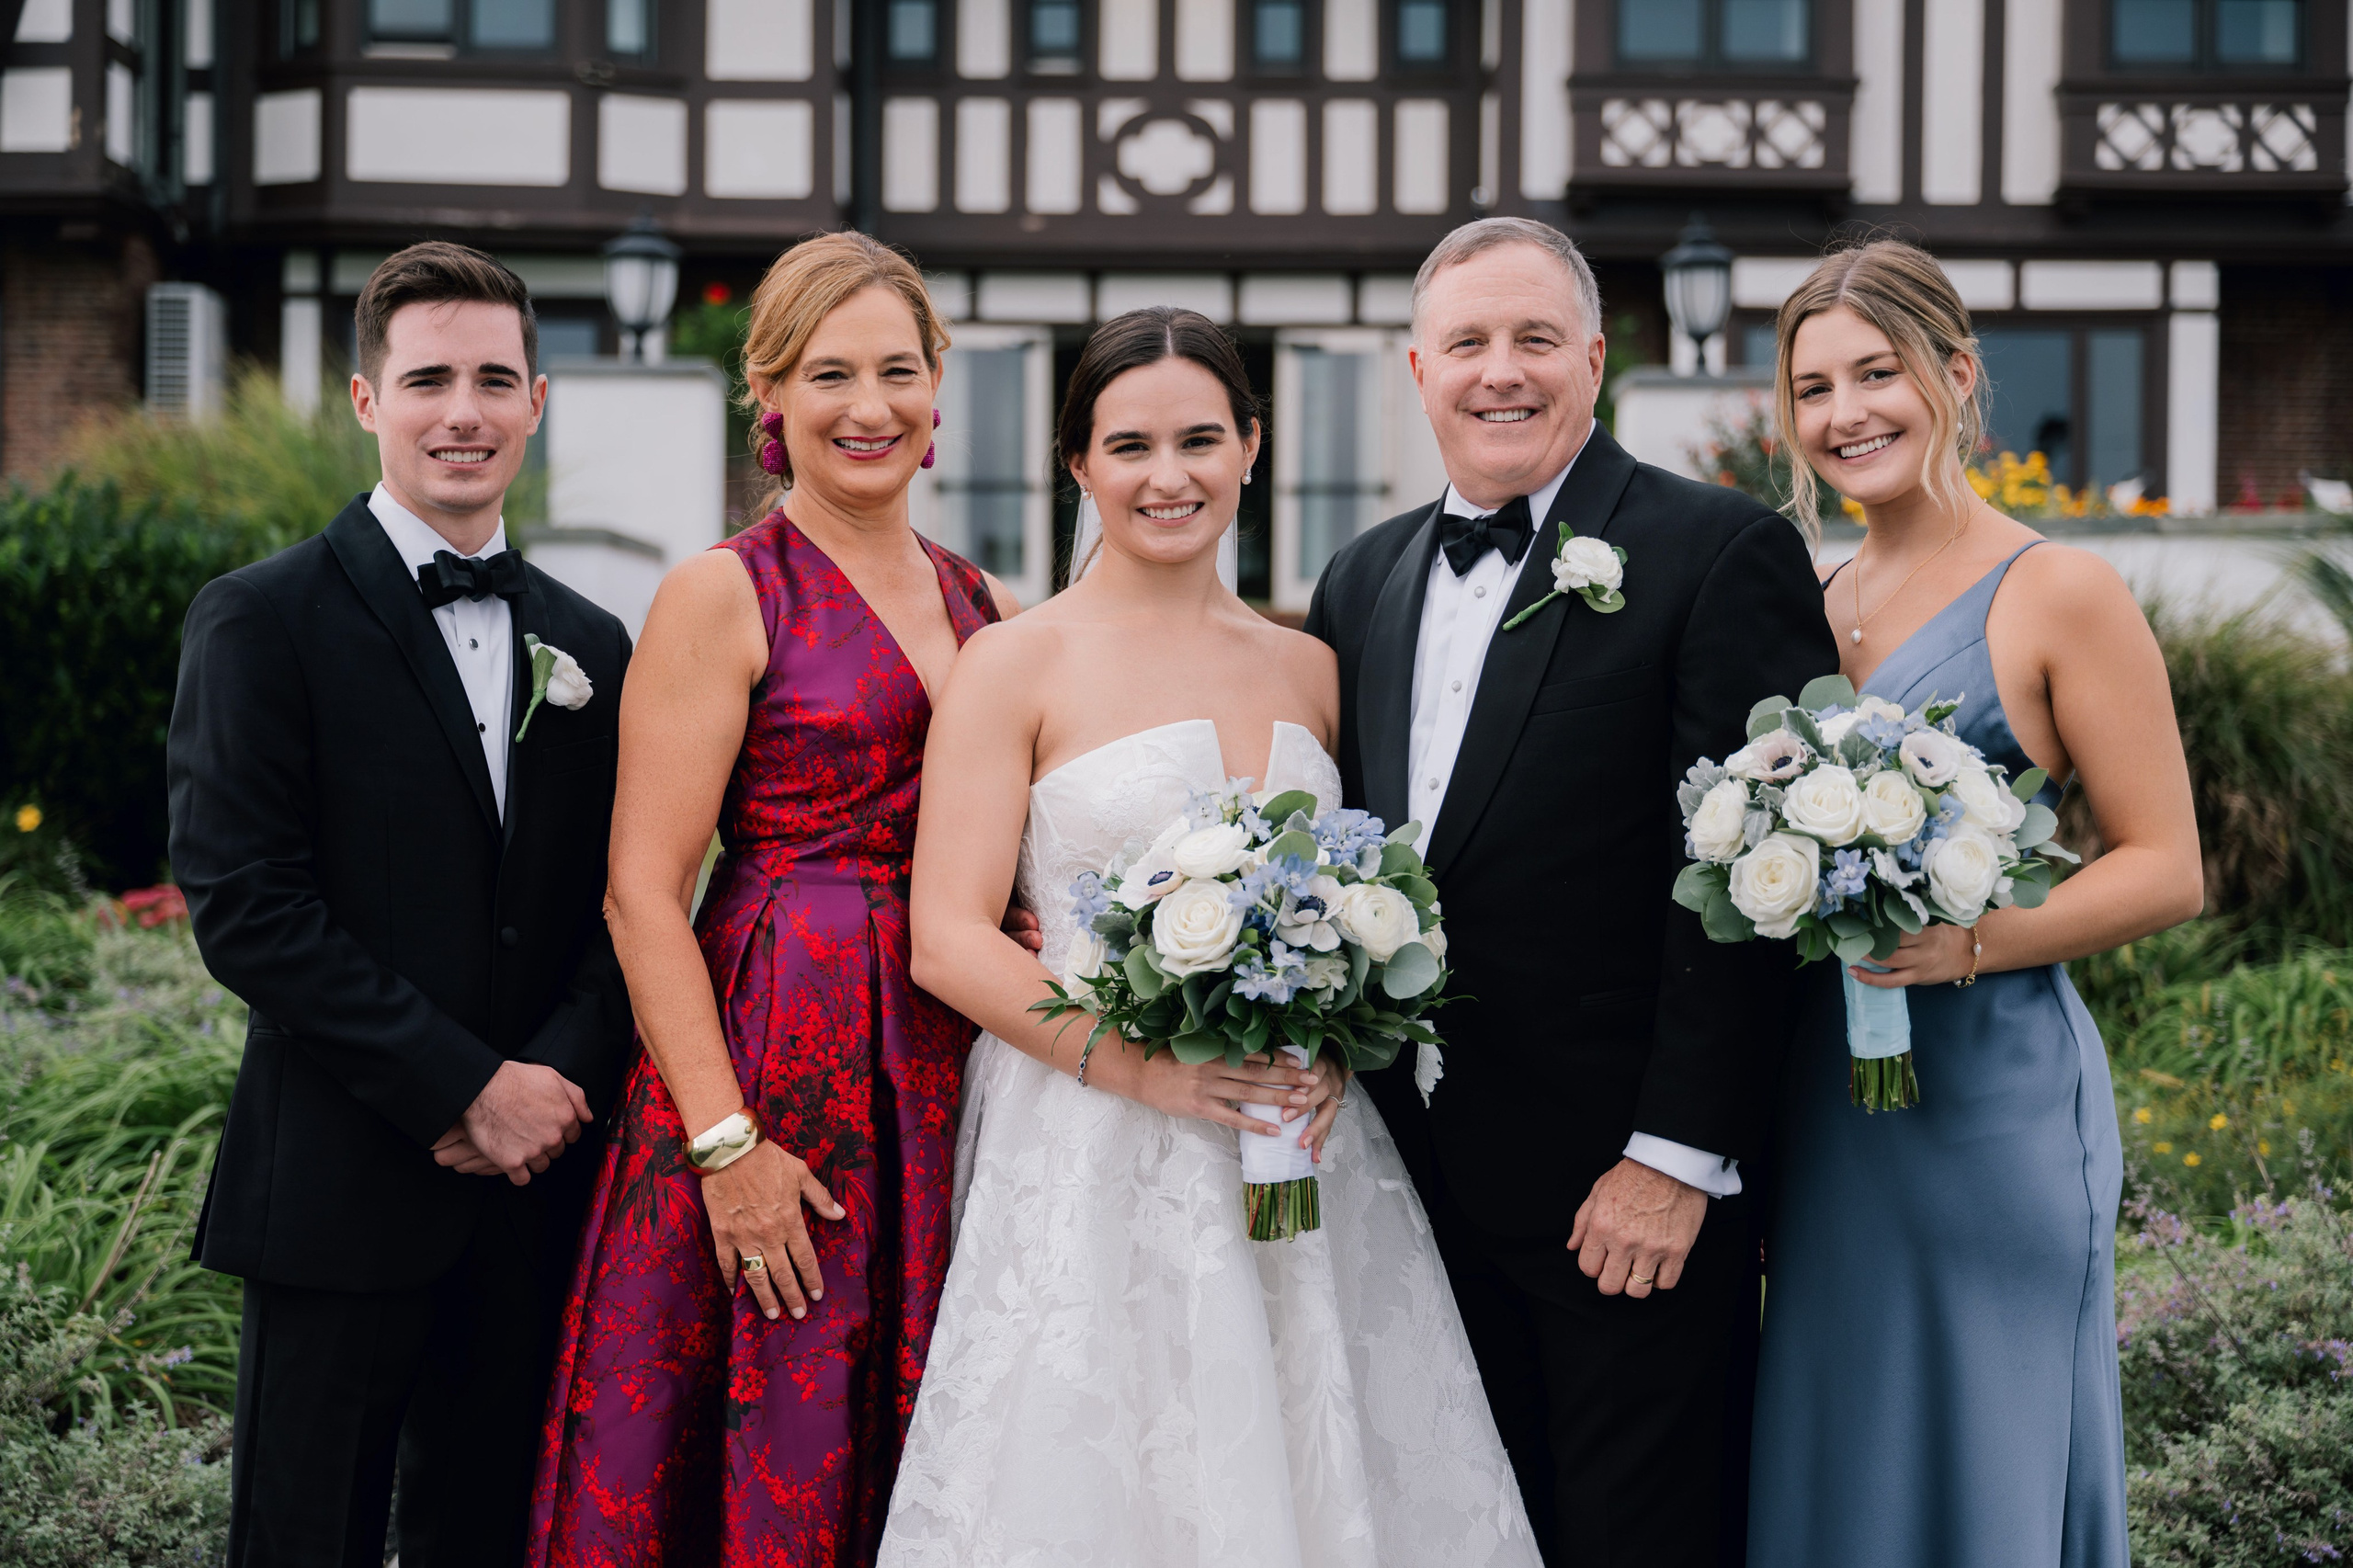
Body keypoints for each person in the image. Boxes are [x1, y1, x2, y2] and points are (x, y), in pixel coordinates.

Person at [881, 307, 1540, 1567]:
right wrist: (1149, 1071)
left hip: (1297, 1132)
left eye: (1198, 438)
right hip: (1088, 1135)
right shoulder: (1013, 664)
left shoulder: (1313, 667)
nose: (1166, 475)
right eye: (1128, 445)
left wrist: (1343, 1035)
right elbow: (949, 939)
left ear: (1251, 444)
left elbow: (1364, 898)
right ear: (1079, 464)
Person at [1301, 217, 1838, 1566]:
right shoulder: (1360, 578)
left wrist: (1673, 1159)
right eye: (1468, 343)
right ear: (1416, 370)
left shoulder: (1718, 551)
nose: (1502, 372)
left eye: (1535, 339)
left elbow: (1756, 885)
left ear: (1593, 361)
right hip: (1409, 1193)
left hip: (1623, 1204)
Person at [528, 232, 1017, 1568]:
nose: (869, 405)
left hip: (937, 1058)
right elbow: (640, 891)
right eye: (830, 372)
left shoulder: (987, 603)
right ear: (774, 400)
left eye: (899, 371)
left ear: (938, 393)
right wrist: (726, 1145)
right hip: (769, 1055)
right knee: (768, 1414)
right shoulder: (723, 591)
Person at [168, 242, 636, 1567]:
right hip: (336, 1186)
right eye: (429, 378)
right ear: (369, 399)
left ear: (538, 401)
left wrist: (548, 1082)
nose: (464, 411)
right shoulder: (261, 619)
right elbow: (247, 905)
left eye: (496, 379)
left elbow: (628, 898)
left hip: (537, 1191)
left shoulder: (592, 643)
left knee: (487, 1537)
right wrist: (460, 1085)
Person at [1745, 241, 2202, 1567]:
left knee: (1989, 1439)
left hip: (1992, 1101)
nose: (1847, 414)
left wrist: (1970, 947)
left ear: (1954, 374)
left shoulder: (2061, 588)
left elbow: (2165, 863)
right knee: (1843, 1443)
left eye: (1878, 373)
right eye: (1814, 388)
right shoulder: (1815, 602)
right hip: (1830, 1106)